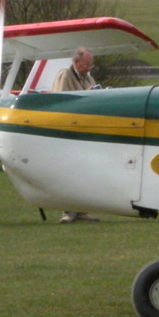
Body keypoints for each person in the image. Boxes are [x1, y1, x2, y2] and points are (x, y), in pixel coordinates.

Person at [52, 47, 100, 223]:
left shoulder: (89, 78)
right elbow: (61, 102)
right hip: (67, 133)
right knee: (68, 173)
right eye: (86, 64)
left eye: (90, 65)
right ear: (76, 62)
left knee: (84, 172)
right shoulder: (65, 76)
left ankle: (81, 210)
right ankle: (68, 211)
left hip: (84, 133)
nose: (88, 68)